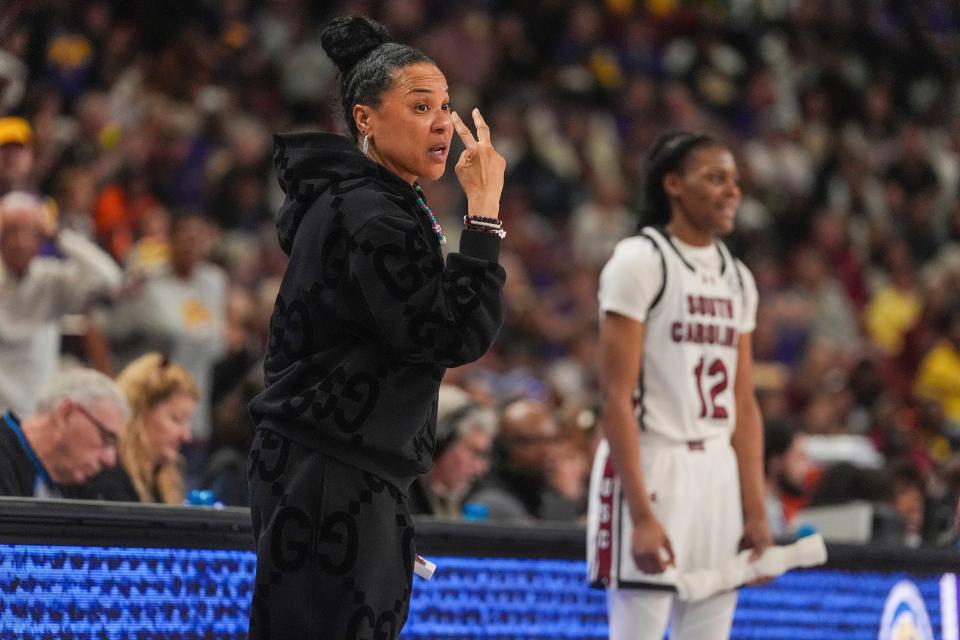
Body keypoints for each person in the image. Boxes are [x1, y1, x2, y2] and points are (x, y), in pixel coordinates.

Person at [246, 15, 506, 640]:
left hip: (334, 466)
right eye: (421, 106)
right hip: (330, 472)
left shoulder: (367, 198)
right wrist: (485, 217)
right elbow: (449, 334)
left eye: (446, 105)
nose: (444, 121)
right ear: (365, 118)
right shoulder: (369, 211)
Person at [586, 131, 771, 639]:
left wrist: (756, 510)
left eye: (734, 180)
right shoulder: (640, 260)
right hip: (654, 460)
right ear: (673, 185)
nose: (732, 190)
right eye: (715, 178)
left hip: (718, 470)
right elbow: (616, 398)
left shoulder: (738, 278)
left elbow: (744, 404)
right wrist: (642, 515)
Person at [0, 190, 122, 418]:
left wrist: (58, 235)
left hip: (36, 413)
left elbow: (109, 278)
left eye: (30, 232)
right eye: (10, 232)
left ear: (41, 236)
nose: (20, 242)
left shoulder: (51, 280)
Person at [68, 353, 197, 504]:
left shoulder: (159, 479)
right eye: (176, 419)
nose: (186, 436)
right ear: (139, 414)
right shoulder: (106, 480)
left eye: (187, 422)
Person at [0, 367, 127, 498]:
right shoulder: (5, 457)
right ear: (65, 414)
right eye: (106, 438)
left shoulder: (77, 483)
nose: (110, 460)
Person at [468, 398, 579, 521]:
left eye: (552, 441)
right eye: (533, 441)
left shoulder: (542, 491)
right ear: (503, 447)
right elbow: (556, 538)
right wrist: (563, 498)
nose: (548, 452)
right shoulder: (491, 502)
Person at [408, 384, 497, 517]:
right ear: (438, 446)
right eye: (474, 453)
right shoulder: (400, 506)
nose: (481, 468)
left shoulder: (465, 502)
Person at [764, 420, 810, 539]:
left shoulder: (776, 507)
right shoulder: (763, 513)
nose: (806, 467)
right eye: (799, 457)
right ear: (775, 461)